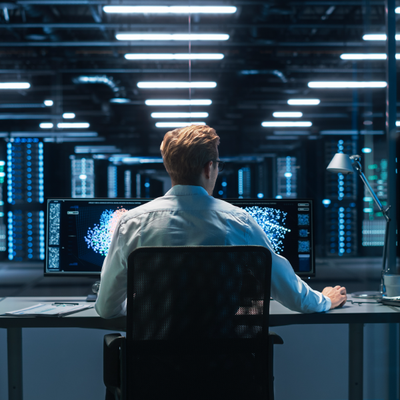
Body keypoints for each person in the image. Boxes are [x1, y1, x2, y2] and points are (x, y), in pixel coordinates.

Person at [95, 124, 347, 319]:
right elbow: (293, 295)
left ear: (168, 167)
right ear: (209, 168)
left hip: (152, 370)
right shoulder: (239, 222)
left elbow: (106, 308)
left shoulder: (132, 223)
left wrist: (149, 309)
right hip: (224, 370)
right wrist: (326, 299)